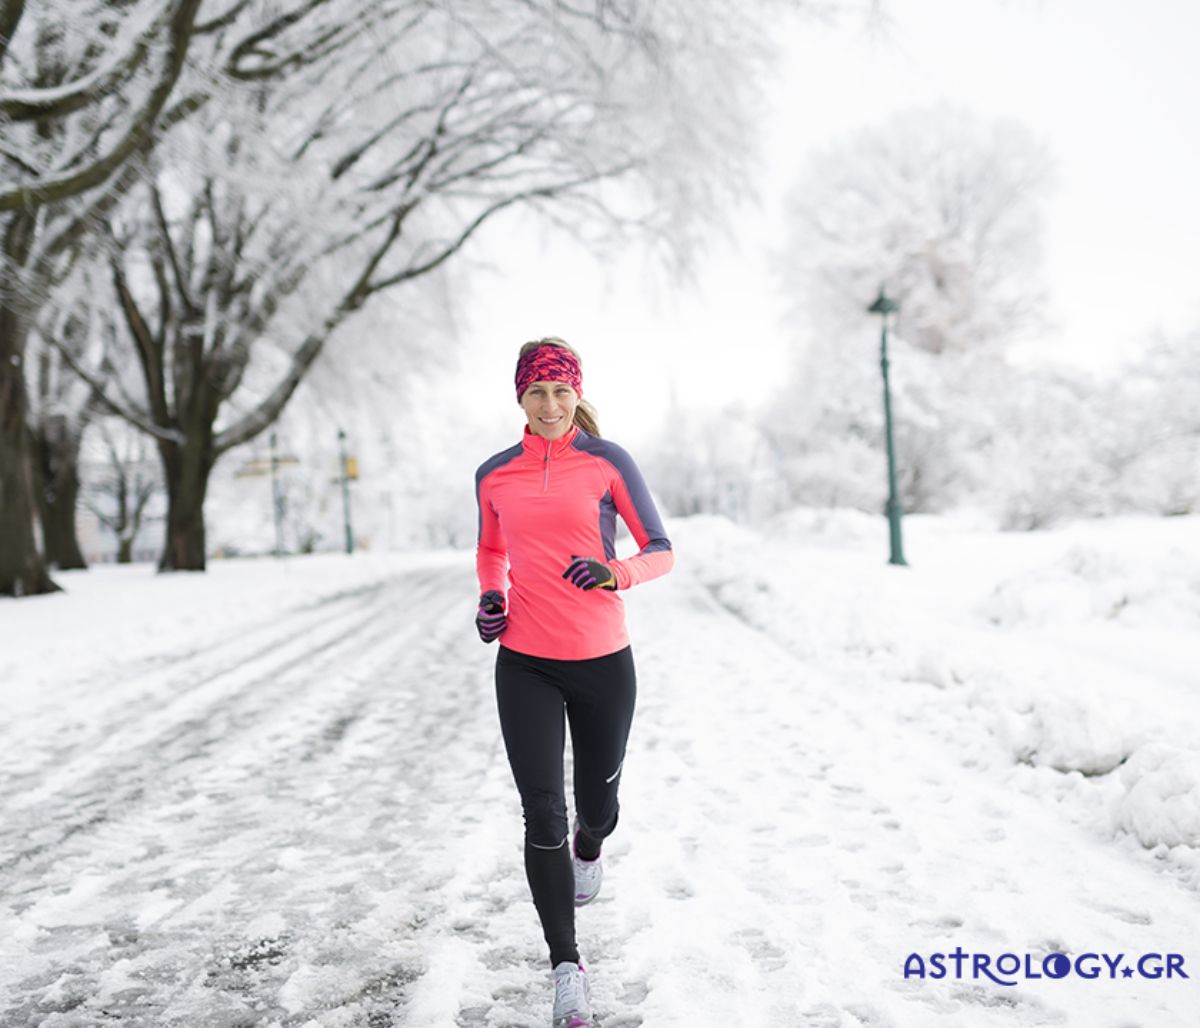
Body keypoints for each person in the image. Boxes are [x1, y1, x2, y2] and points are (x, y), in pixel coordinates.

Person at [474, 338, 674, 1028]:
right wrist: (490, 598)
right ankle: (567, 968)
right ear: (520, 398)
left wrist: (616, 573)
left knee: (596, 807)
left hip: (602, 659)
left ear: (576, 394)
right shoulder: (495, 474)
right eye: (537, 393)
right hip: (525, 661)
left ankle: (594, 843)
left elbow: (661, 550)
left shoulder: (608, 461)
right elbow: (491, 549)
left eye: (560, 392)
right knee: (541, 812)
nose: (550, 405)